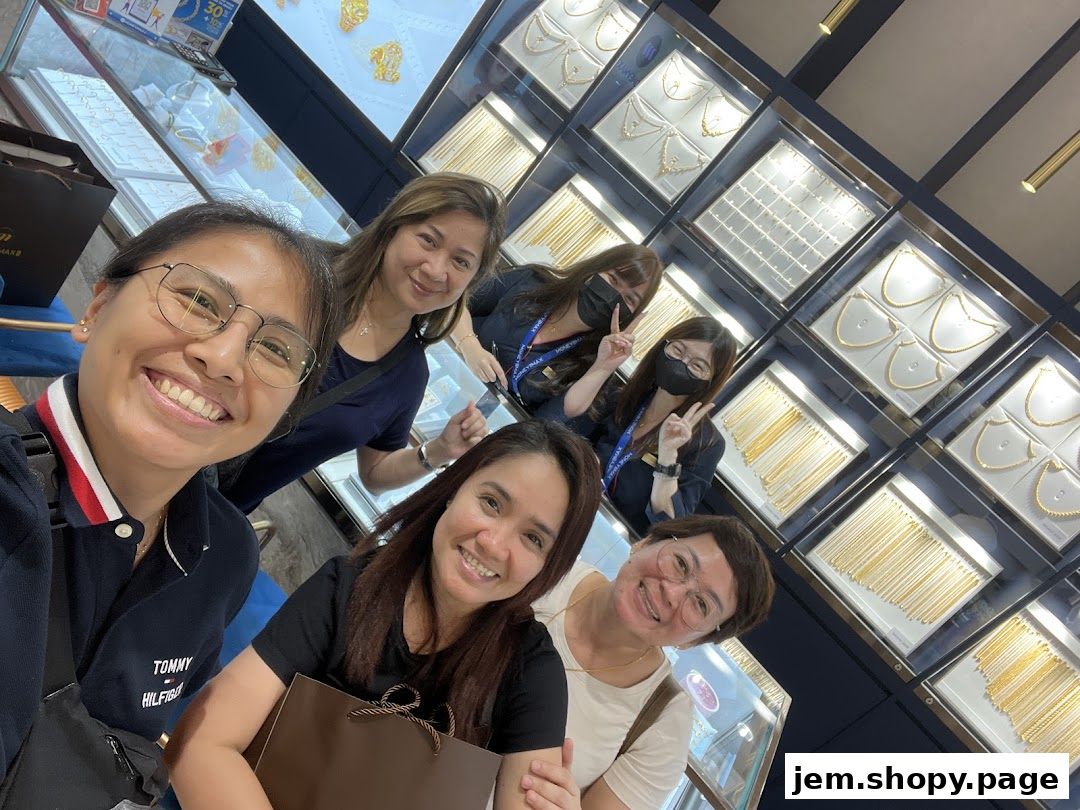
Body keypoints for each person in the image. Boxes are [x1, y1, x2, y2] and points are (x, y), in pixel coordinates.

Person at [0, 202, 341, 787]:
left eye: (276, 350)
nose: (225, 358)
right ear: (99, 305)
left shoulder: (226, 555)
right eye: (198, 301)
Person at [165, 421, 604, 809]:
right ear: (454, 487)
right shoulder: (350, 587)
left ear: (551, 565)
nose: (494, 544)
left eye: (532, 538)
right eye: (491, 502)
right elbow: (201, 743)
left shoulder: (531, 668)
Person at [219, 172, 507, 514]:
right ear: (393, 229)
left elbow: (374, 473)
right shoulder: (303, 271)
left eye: (461, 261)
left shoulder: (407, 376)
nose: (435, 269)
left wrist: (439, 450)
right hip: (160, 448)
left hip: (213, 513)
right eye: (428, 240)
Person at [522, 515, 775, 810]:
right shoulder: (544, 572)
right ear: (645, 543)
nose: (672, 593)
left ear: (694, 641)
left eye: (701, 604)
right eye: (680, 564)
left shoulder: (665, 726)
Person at [545, 316, 736, 535]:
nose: (682, 364)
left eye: (697, 365)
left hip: (610, 540)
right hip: (563, 510)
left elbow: (670, 526)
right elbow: (553, 428)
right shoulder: (622, 397)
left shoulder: (705, 442)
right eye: (678, 351)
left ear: (711, 380)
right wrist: (602, 367)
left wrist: (667, 457)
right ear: (664, 346)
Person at [450, 245, 662, 418]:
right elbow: (456, 301)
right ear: (595, 269)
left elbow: (551, 418)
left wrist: (603, 367)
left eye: (629, 299)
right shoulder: (531, 282)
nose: (612, 296)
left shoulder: (594, 360)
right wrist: (470, 346)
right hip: (444, 373)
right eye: (613, 279)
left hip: (481, 428)